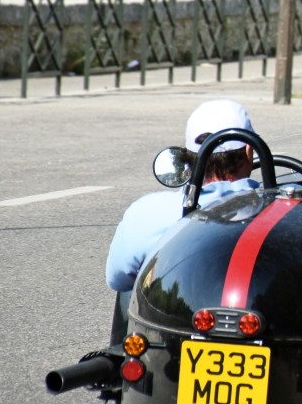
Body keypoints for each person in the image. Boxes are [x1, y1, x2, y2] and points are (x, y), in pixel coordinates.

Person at [105, 99, 261, 293]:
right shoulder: (277, 207)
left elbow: (117, 280)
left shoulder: (145, 212)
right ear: (249, 152)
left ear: (187, 156)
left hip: (174, 315)